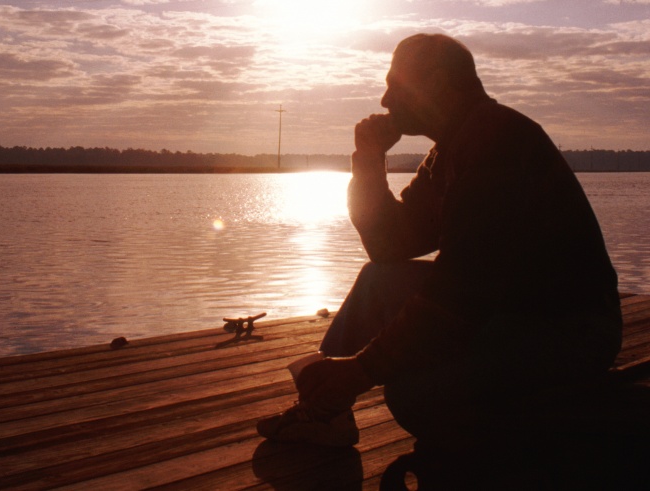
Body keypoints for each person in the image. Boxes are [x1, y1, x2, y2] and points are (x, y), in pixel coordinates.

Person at [257, 33, 622, 466]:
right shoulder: (450, 150)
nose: (385, 98)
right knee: (380, 282)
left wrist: (361, 371)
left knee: (415, 395)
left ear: (437, 81)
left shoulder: (498, 140)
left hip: (571, 330)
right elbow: (388, 246)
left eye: (396, 84)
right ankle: (326, 413)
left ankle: (530, 437)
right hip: (514, 313)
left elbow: (461, 292)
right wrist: (369, 162)